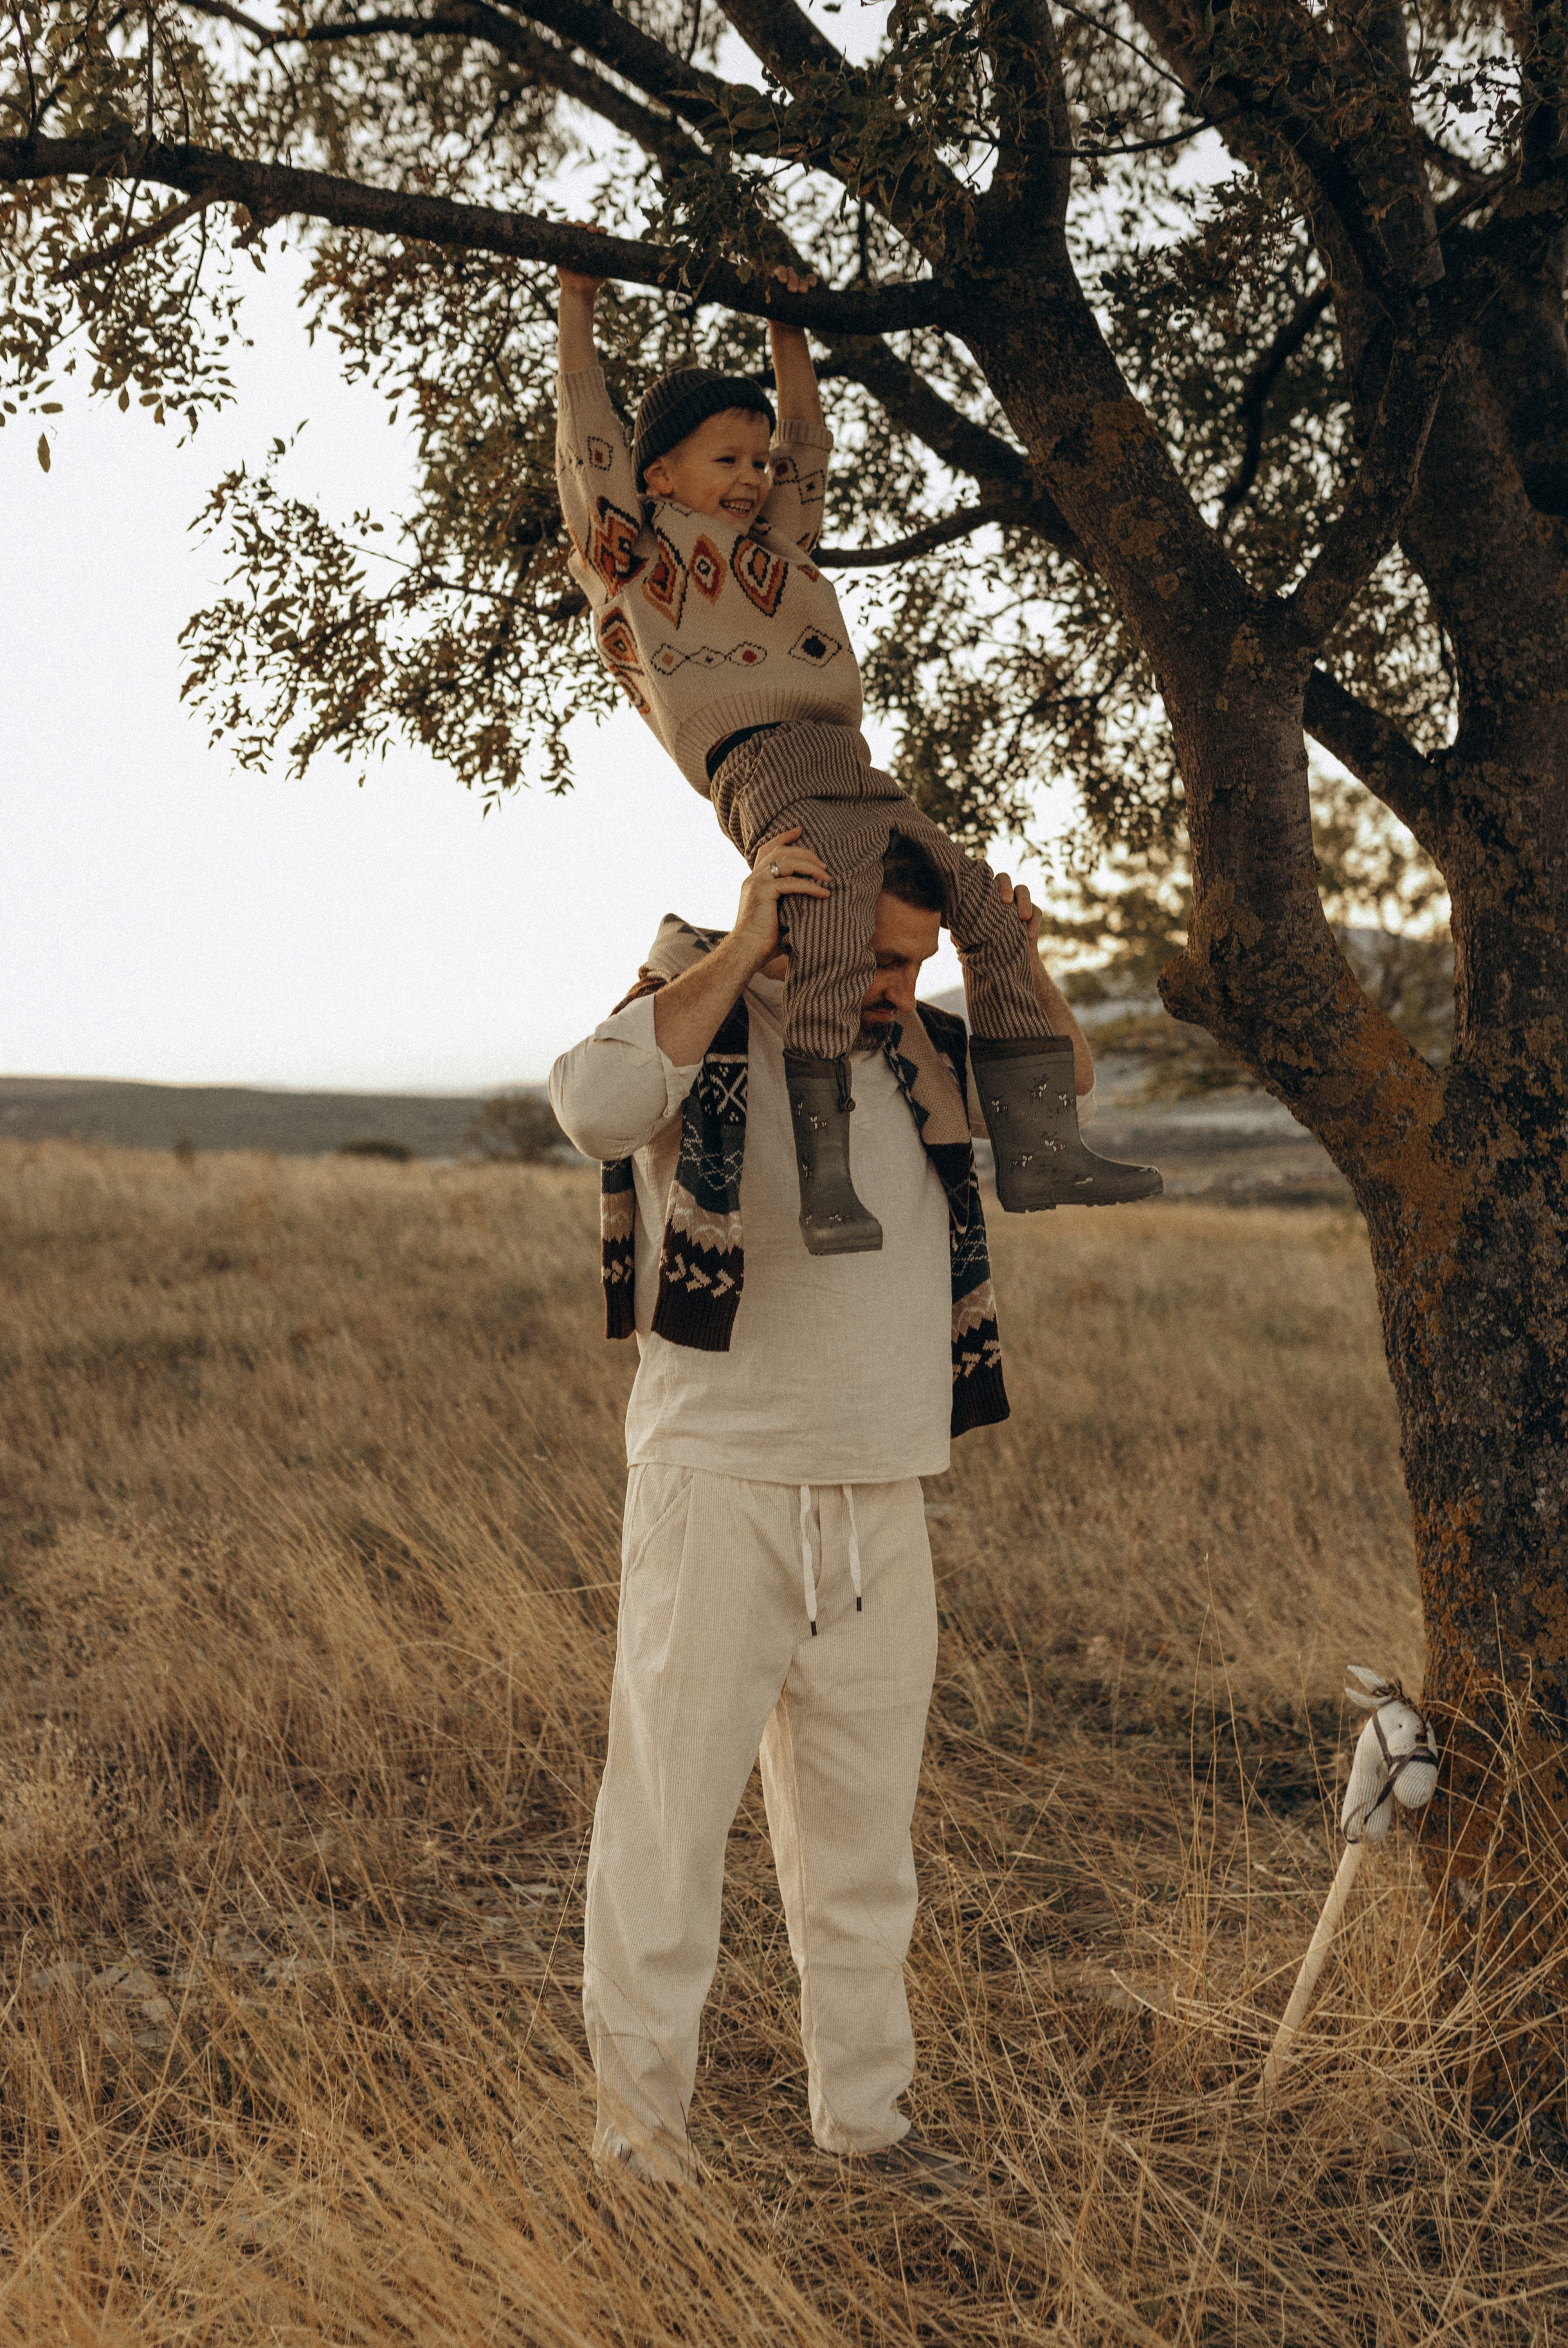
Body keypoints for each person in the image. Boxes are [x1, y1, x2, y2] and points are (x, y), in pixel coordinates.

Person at [547, 833, 1101, 2196]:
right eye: (879, 958)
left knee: (862, 1847)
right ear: (811, 930)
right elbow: (594, 1105)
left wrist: (1004, 952)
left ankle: (867, 2125)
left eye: (917, 960)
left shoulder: (926, 1058)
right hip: (717, 1489)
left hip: (879, 1492)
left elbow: (1061, 1091)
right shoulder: (698, 1019)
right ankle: (638, 2150)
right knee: (666, 1835)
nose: (895, 986)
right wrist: (742, 947)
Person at [552, 261, 1160, 1256]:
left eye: (756, 463)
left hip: (850, 757)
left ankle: (1044, 1145)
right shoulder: (632, 552)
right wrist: (578, 308)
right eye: (726, 461)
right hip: (762, 765)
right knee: (831, 932)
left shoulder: (779, 550)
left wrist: (790, 333)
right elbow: (587, 443)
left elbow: (808, 448)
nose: (753, 479)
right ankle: (828, 1181)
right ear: (658, 473)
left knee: (978, 907)